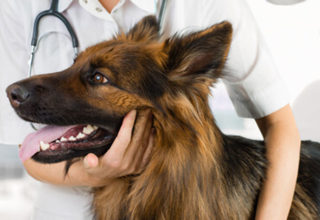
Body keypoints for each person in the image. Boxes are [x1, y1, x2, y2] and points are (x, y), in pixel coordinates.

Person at [0, 0, 300, 219]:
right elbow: (28, 155)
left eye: (97, 78)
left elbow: (279, 123)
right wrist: (97, 174)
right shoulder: (18, 6)